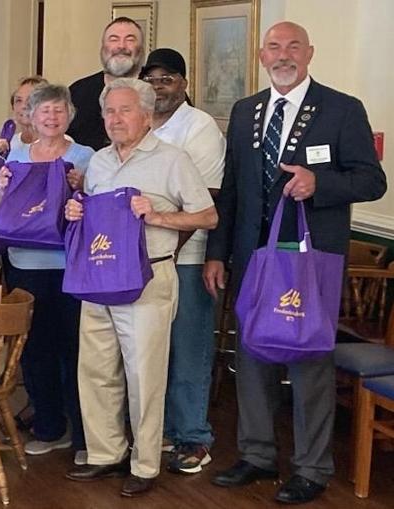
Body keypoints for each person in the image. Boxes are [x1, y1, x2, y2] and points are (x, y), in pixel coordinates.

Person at [205, 22, 386, 504]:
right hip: (252, 259)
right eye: (274, 48)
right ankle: (258, 455)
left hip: (309, 261)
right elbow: (235, 191)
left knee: (309, 363)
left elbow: (372, 181)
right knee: (253, 355)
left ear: (309, 53)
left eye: (293, 47)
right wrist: (218, 253)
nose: (283, 55)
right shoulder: (246, 112)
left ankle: (312, 467)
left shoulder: (341, 108)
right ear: (262, 57)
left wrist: (319, 184)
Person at [63, 78, 216, 497]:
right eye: (109, 111)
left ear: (146, 116)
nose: (115, 119)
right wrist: (76, 210)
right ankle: (104, 454)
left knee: (144, 376)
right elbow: (94, 214)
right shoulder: (97, 162)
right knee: (95, 370)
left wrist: (158, 217)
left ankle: (145, 463)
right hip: (98, 277)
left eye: (124, 110)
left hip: (148, 278)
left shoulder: (173, 160)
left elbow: (207, 216)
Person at [0, 83, 93, 464]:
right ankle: (50, 428)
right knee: (35, 351)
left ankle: (84, 436)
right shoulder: (16, 155)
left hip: (70, 266)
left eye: (58, 110)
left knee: (76, 351)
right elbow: (3, 213)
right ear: (30, 116)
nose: (51, 117)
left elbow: (96, 208)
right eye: (43, 110)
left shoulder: (86, 156)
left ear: (69, 115)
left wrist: (82, 186)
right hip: (24, 263)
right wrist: (2, 188)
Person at [139, 47, 226, 474]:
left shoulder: (200, 127)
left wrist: (167, 251)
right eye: (151, 80)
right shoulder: (138, 125)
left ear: (184, 84)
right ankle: (159, 434)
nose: (159, 87)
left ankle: (194, 437)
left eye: (167, 79)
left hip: (185, 258)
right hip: (139, 260)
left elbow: (206, 198)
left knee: (189, 351)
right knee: (151, 351)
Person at [67, 17, 145, 150]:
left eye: (130, 39)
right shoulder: (77, 92)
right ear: (103, 47)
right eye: (114, 39)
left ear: (141, 49)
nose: (121, 46)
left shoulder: (159, 91)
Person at [0, 76, 48, 155]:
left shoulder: (60, 143)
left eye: (31, 100)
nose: (24, 106)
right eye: (19, 100)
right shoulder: (9, 144)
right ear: (13, 107)